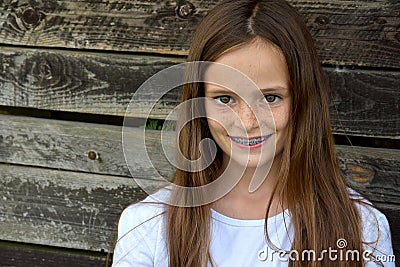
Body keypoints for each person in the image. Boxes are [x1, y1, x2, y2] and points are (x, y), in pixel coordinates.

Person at [112, 0, 394, 266]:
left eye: (270, 98)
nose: (247, 122)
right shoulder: (147, 226)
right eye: (225, 99)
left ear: (303, 101)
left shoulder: (361, 228)